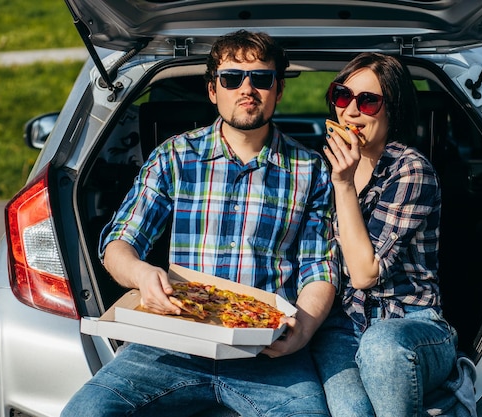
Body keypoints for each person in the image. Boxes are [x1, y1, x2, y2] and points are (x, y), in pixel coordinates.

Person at [62, 30, 338, 417]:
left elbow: (319, 267)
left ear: (278, 90)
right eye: (231, 78)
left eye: (261, 78)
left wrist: (302, 331)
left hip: (266, 352)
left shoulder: (310, 170)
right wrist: (142, 275)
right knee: (85, 412)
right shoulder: (175, 156)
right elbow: (119, 244)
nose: (247, 89)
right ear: (212, 90)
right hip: (170, 342)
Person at [311, 53, 463, 417]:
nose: (351, 112)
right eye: (343, 96)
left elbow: (365, 275)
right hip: (342, 326)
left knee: (381, 345)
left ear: (392, 110)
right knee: (351, 410)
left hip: (411, 324)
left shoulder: (411, 170)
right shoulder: (321, 169)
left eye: (369, 101)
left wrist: (344, 184)